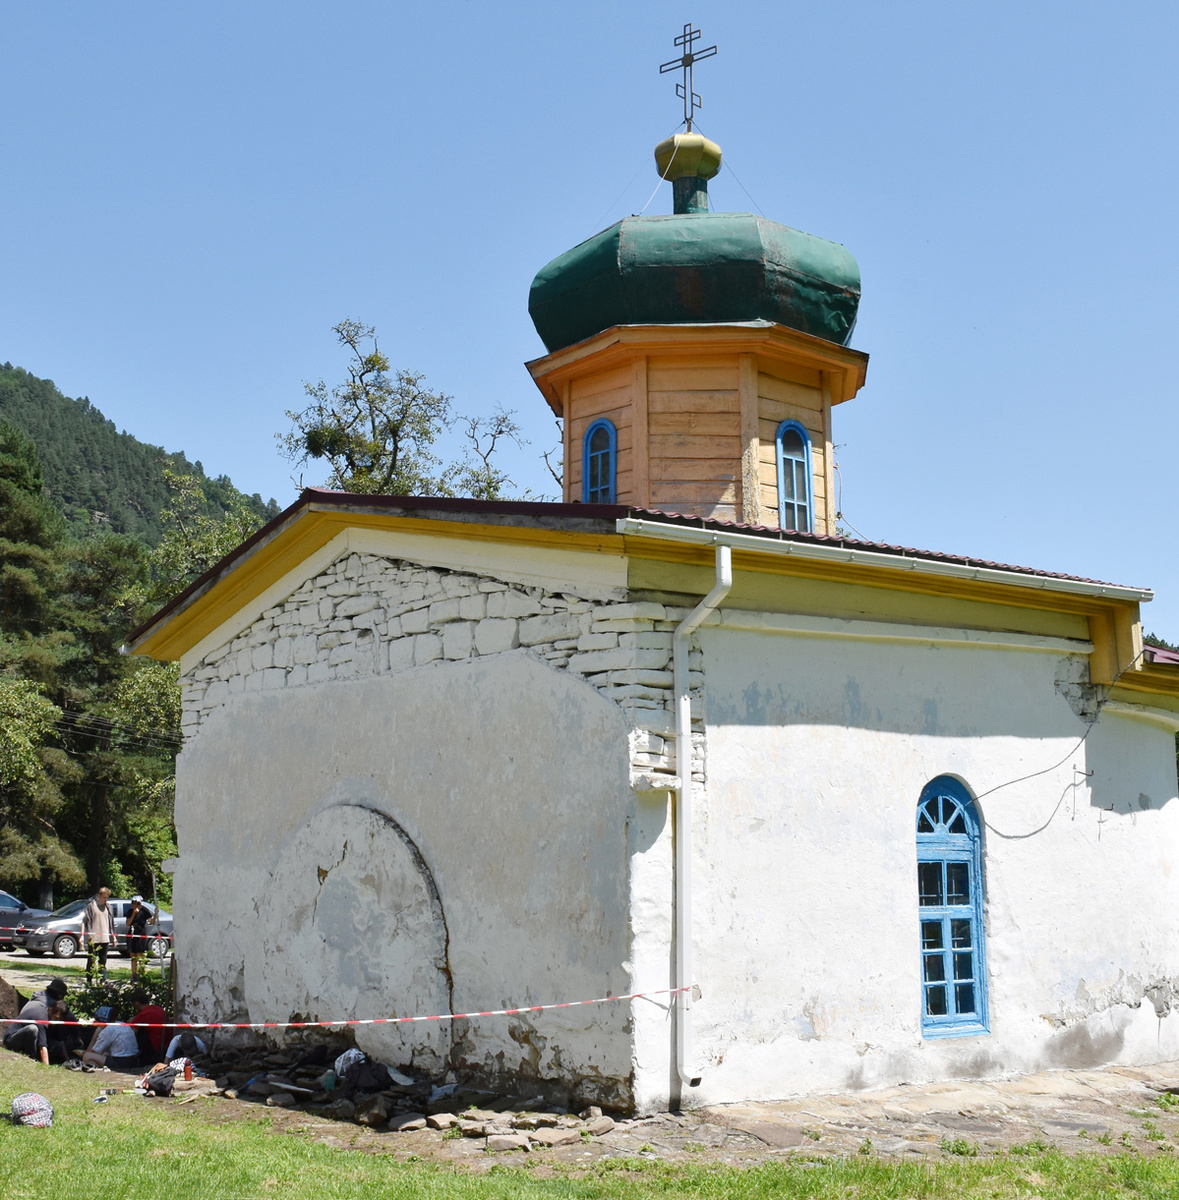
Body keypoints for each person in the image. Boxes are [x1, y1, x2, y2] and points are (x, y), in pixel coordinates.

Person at [2, 997, 68, 1066]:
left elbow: (61, 1042)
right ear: (51, 1010)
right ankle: (31, 1057)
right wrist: (46, 1067)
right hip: (10, 1040)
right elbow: (42, 1046)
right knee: (33, 1029)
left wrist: (67, 1060)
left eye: (60, 1019)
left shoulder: (50, 1017)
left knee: (56, 1045)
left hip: (23, 1039)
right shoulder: (41, 1018)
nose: (57, 1021)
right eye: (56, 1018)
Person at [82, 887, 116, 983]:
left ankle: (102, 981)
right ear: (99, 896)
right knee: (91, 961)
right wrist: (83, 935)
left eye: (107, 897)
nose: (106, 899)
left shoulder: (109, 907)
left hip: (105, 938)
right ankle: (89, 980)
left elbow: (111, 923)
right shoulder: (91, 906)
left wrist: (113, 936)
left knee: (103, 961)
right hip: (93, 938)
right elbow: (85, 921)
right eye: (104, 897)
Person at [128, 987, 168, 1062]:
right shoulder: (157, 1009)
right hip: (166, 1045)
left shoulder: (143, 1015)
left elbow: (131, 1032)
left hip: (155, 1048)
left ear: (137, 1003)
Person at [126, 897, 153, 982]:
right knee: (133, 955)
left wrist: (155, 914)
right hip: (132, 932)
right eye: (133, 903)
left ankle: (142, 973)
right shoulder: (130, 911)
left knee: (140, 954)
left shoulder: (144, 911)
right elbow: (128, 923)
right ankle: (134, 974)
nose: (135, 905)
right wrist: (134, 914)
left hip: (141, 933)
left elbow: (151, 922)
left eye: (137, 903)